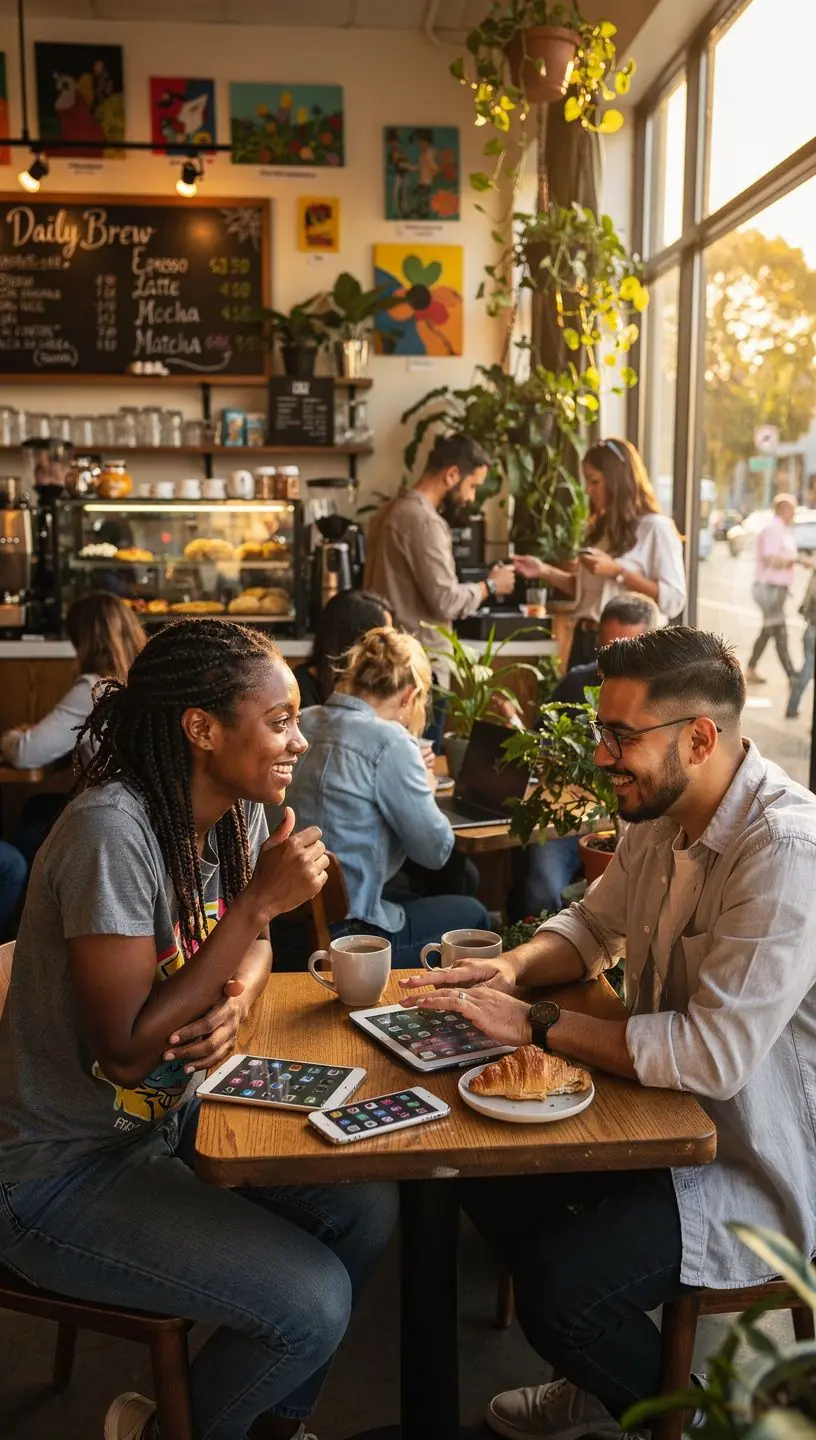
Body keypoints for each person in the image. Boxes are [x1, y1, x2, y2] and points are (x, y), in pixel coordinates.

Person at [403, 626, 816, 1440]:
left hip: (760, 1158)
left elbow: (712, 1055)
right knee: (482, 1175)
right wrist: (513, 970)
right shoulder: (662, 815)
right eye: (602, 731)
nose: (601, 756)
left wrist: (536, 1023)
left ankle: (692, 1426)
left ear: (699, 739)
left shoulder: (785, 853)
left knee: (563, 1292)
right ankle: (603, 1381)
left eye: (621, 737)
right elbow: (594, 923)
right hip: (665, 1119)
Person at [0, 619, 396, 1440]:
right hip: (56, 1170)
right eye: (280, 721)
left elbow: (246, 955)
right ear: (202, 729)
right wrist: (258, 905)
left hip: (170, 1118)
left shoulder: (236, 812)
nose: (299, 742)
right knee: (313, 1303)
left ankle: (257, 1428)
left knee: (364, 1207)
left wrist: (237, 998)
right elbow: (126, 1047)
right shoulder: (112, 832)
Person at [287, 626, 490, 966]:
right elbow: (436, 852)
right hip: (346, 934)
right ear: (409, 695)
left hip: (286, 921)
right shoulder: (390, 742)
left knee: (428, 888)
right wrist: (425, 785)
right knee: (475, 916)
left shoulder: (303, 720)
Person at [504, 595, 659, 919]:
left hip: (636, 824)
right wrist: (519, 732)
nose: (613, 663)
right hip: (570, 821)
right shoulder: (577, 682)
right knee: (540, 885)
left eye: (627, 652)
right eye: (607, 649)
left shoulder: (665, 702)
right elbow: (540, 746)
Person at [365, 433, 515, 748]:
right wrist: (491, 585)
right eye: (472, 486)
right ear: (451, 475)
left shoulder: (387, 512)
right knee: (419, 767)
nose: (472, 498)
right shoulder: (423, 521)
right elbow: (445, 601)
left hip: (390, 663)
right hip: (420, 668)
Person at [0, 591, 146, 866]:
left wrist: (11, 737)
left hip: (111, 819)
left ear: (84, 642)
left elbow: (26, 754)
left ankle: (32, 900)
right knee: (38, 807)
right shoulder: (139, 682)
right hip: (135, 814)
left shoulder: (94, 688)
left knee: (31, 827)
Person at [513, 438, 686, 669]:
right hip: (585, 639)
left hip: (628, 647)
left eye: (594, 481)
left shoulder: (655, 528)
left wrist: (618, 572)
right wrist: (543, 570)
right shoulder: (601, 529)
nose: (588, 490)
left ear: (617, 481)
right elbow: (589, 592)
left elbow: (674, 600)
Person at [293, 588, 393, 709]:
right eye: (382, 639)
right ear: (355, 642)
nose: (390, 645)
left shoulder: (384, 683)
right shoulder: (298, 690)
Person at [746, 493, 800, 684]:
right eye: (793, 509)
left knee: (770, 630)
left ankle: (751, 667)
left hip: (777, 590)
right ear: (783, 509)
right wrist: (798, 560)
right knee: (779, 631)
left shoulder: (783, 529)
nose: (795, 513)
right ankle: (792, 675)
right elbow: (772, 559)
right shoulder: (773, 529)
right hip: (769, 589)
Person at [786, 563, 816, 718]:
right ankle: (792, 707)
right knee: (807, 670)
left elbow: (805, 603)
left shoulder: (814, 575)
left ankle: (792, 707)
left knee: (807, 670)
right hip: (813, 629)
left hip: (811, 628)